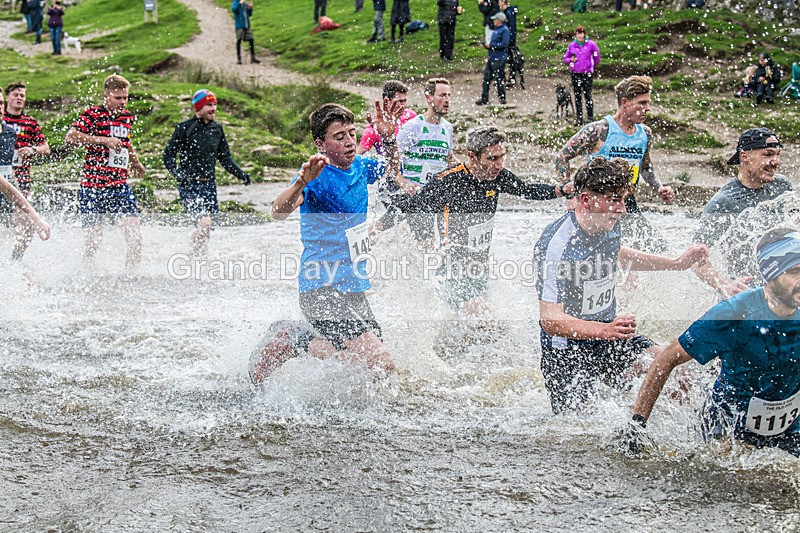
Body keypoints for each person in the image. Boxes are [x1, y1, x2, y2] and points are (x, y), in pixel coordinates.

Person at [534, 157, 708, 413]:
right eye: (614, 200)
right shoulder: (556, 246)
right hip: (567, 351)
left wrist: (677, 263)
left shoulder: (607, 223)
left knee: (674, 373)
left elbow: (618, 254)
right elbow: (550, 320)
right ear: (586, 200)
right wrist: (605, 330)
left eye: (624, 199)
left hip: (609, 336)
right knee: (580, 428)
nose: (622, 209)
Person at [252, 100, 405, 384]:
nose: (349, 142)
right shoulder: (316, 175)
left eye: (352, 134)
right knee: (380, 364)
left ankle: (295, 339)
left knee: (359, 364)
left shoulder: (361, 166)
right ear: (320, 144)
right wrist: (300, 182)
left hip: (352, 285)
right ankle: (297, 339)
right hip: (321, 286)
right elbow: (277, 212)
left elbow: (393, 168)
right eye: (339, 136)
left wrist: (388, 139)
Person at [627, 227, 800, 458]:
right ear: (771, 274)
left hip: (790, 429)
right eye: (795, 271)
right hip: (729, 432)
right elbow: (665, 359)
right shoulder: (733, 314)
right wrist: (636, 428)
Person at [400, 126, 573, 318]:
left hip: (479, 267)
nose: (499, 165)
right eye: (492, 158)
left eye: (502, 157)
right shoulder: (449, 180)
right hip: (453, 269)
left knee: (466, 327)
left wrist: (561, 190)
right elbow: (412, 208)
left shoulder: (498, 177)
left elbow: (527, 190)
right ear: (472, 155)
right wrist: (419, 236)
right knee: (489, 322)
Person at [554, 75, 675, 252]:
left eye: (647, 103)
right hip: (598, 205)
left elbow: (645, 166)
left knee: (655, 249)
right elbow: (562, 157)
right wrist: (570, 195)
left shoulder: (645, 134)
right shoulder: (599, 130)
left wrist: (659, 187)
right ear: (625, 103)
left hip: (627, 203)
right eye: (641, 103)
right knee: (596, 254)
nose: (647, 109)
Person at [691, 127, 792, 298]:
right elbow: (695, 258)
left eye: (778, 154)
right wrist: (725, 285)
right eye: (768, 154)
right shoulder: (724, 202)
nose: (776, 161)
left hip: (785, 290)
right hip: (746, 294)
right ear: (744, 156)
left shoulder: (781, 186)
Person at [64, 74, 146, 266]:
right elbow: (71, 137)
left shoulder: (127, 117)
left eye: (125, 97)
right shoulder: (92, 114)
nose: (123, 102)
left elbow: (126, 142)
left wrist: (135, 162)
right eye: (118, 98)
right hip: (93, 186)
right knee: (94, 238)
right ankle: (86, 271)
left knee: (135, 236)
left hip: (119, 185)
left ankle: (131, 276)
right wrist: (103, 140)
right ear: (106, 95)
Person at [163, 89, 251, 256]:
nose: (213, 109)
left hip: (209, 185)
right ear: (198, 108)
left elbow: (225, 158)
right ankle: (190, 254)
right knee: (204, 223)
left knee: (207, 228)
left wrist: (241, 174)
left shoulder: (217, 129)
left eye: (215, 105)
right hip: (189, 185)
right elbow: (168, 155)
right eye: (209, 105)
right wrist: (178, 174)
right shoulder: (184, 128)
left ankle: (199, 260)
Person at [4, 82, 51, 260]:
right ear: (7, 97)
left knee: (27, 225)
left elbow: (46, 148)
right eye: (16, 95)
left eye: (22, 96)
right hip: (3, 178)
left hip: (22, 181)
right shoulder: (2, 120)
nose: (19, 98)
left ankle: (15, 259)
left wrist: (33, 149)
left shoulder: (30, 123)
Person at [357, 80, 416, 156]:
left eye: (405, 101)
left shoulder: (411, 116)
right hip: (389, 162)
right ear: (387, 101)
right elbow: (357, 155)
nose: (403, 105)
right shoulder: (375, 128)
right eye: (400, 101)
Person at [564, 25, 601, 126]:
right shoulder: (572, 45)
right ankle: (579, 118)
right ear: (575, 35)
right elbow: (566, 59)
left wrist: (590, 66)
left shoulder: (591, 44)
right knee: (577, 96)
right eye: (578, 34)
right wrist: (571, 60)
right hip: (575, 73)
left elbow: (597, 57)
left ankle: (590, 117)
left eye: (582, 33)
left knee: (588, 95)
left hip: (587, 74)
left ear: (584, 34)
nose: (580, 36)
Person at [475, 12, 510, 106]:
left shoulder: (504, 30)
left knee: (499, 79)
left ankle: (502, 99)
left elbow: (504, 44)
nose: (494, 21)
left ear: (499, 20)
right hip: (492, 57)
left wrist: (492, 45)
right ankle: (484, 98)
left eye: (495, 19)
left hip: (499, 58)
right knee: (486, 78)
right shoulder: (497, 30)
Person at [499, 0, 520, 87]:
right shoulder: (507, 12)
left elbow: (511, 29)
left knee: (511, 59)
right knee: (509, 59)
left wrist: (509, 41)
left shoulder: (508, 13)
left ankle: (511, 79)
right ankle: (508, 78)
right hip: (508, 40)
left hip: (509, 41)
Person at [232, 0, 260, 65]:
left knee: (251, 40)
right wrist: (239, 3)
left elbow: (249, 14)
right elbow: (234, 10)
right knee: (239, 41)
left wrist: (250, 8)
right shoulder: (236, 2)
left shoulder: (246, 4)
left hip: (247, 26)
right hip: (239, 26)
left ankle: (253, 56)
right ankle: (239, 58)